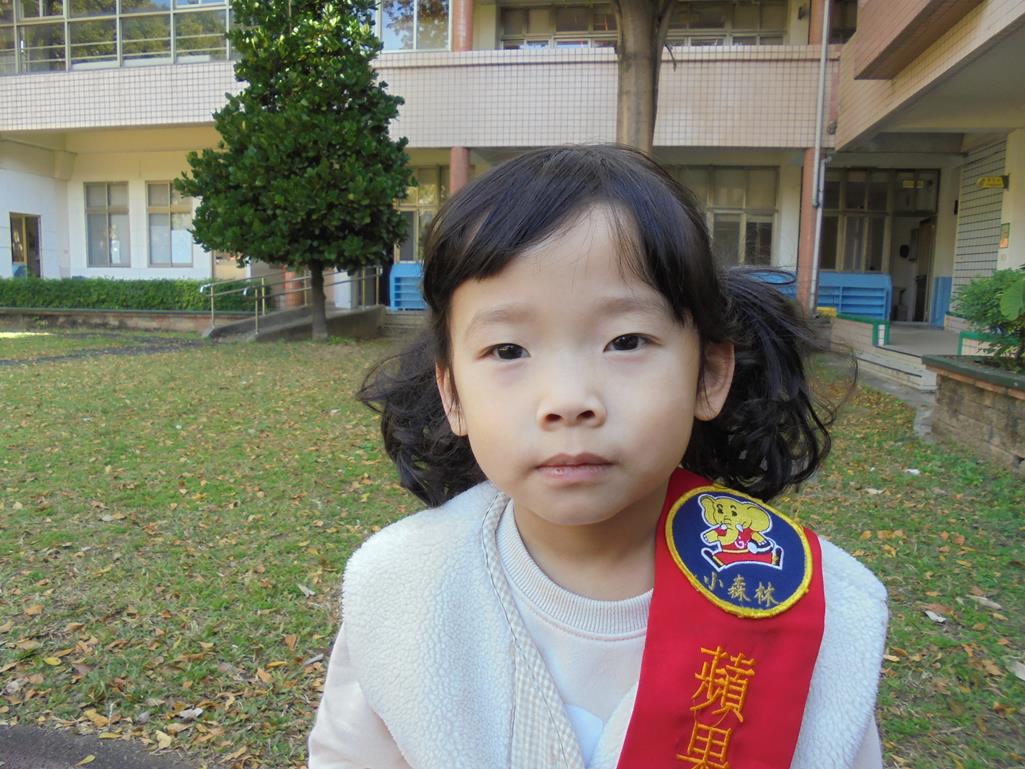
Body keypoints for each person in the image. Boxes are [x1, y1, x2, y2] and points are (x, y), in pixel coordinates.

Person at [308, 146, 888, 769]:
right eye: (508, 350)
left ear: (708, 376)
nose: (567, 400)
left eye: (626, 341)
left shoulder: (813, 610)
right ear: (452, 395)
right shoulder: (401, 589)